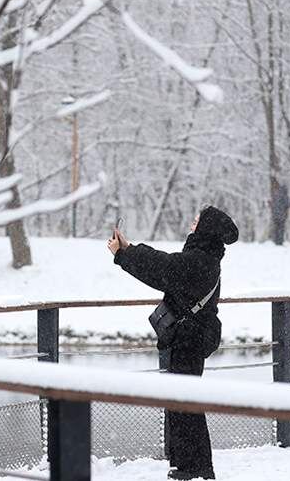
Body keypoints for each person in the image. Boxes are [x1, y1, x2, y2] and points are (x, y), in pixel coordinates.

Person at [107, 206, 238, 480]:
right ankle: (188, 464)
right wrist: (129, 249)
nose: (191, 223)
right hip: (188, 337)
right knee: (182, 401)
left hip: (189, 338)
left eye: (196, 221)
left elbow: (163, 268)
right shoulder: (202, 258)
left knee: (186, 402)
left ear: (205, 229)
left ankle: (197, 466)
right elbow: (166, 264)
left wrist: (123, 255)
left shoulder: (200, 261)